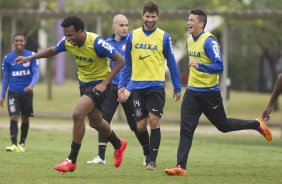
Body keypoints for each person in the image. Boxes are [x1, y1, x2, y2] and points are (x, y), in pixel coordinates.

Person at [164, 9, 272, 176]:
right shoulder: (189, 40)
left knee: (224, 126)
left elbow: (219, 66)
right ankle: (180, 166)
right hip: (192, 93)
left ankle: (257, 124)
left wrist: (200, 65)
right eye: (188, 20)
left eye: (192, 20)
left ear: (201, 23)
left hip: (209, 94)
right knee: (186, 129)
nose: (188, 22)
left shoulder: (209, 41)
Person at [15, 15, 127, 173]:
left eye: (70, 35)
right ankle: (118, 144)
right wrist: (30, 57)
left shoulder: (97, 43)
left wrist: (105, 83)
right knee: (96, 122)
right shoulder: (67, 42)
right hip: (84, 84)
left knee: (77, 114)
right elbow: (53, 50)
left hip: (99, 85)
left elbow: (120, 60)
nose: (67, 39)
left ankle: (71, 160)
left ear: (81, 31)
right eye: (65, 35)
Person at [118, 1, 182, 170]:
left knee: (154, 121)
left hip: (155, 86)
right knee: (140, 126)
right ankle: (147, 153)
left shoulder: (164, 37)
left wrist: (177, 87)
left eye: (153, 16)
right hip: (137, 88)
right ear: (142, 16)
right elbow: (127, 64)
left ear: (158, 17)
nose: (151, 19)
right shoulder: (132, 36)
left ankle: (152, 160)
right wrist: (122, 85)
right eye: (148, 16)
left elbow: (172, 63)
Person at [86, 14, 150, 165]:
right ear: (114, 26)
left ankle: (148, 155)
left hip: (129, 88)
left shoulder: (133, 42)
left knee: (135, 124)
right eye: (121, 25)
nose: (124, 28)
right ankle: (101, 157)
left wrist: (127, 87)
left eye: (126, 25)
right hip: (111, 88)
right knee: (103, 120)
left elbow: (137, 65)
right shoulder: (106, 43)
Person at [0, 33, 39, 152]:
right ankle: (13, 144)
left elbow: (36, 72)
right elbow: (6, 78)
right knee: (14, 117)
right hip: (13, 93)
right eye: (16, 41)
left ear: (25, 42)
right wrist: (2, 96)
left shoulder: (31, 55)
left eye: (21, 40)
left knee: (25, 118)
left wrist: (31, 85)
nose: (19, 43)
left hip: (27, 93)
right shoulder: (8, 58)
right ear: (13, 42)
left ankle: (22, 143)